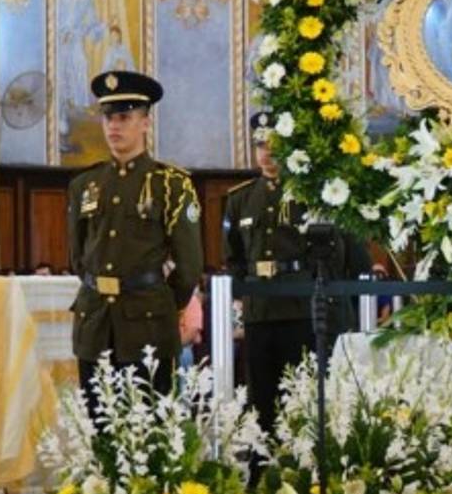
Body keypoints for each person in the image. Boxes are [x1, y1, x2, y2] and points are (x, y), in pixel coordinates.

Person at [223, 110, 372, 428]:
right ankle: (260, 468)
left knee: (302, 396)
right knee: (261, 399)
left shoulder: (310, 195)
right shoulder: (241, 199)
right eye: (260, 145)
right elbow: (234, 257)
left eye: (275, 145)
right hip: (259, 311)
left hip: (300, 308)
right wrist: (243, 295)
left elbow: (337, 255)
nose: (267, 153)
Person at [67, 70, 204, 397]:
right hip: (95, 322)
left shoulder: (169, 184)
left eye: (125, 117)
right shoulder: (85, 185)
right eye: (109, 118)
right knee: (100, 426)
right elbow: (77, 257)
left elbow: (189, 267)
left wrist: (160, 302)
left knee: (151, 432)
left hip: (148, 324)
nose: (114, 126)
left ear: (145, 123)